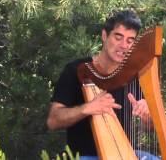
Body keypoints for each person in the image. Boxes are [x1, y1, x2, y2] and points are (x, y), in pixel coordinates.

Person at [47, 10, 159, 159]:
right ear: (105, 36)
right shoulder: (76, 70)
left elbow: (150, 128)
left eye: (130, 40)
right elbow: (53, 121)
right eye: (118, 37)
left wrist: (147, 117)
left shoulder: (134, 76)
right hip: (84, 156)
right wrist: (87, 108)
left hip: (124, 154)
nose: (123, 45)